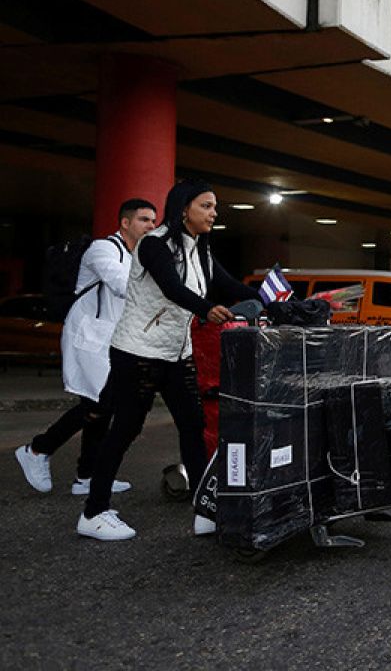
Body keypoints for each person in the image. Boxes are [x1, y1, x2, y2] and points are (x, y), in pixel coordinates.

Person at [76, 180, 259, 541]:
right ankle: (93, 512)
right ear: (183, 209)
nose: (213, 213)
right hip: (138, 352)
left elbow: (229, 284)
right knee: (125, 429)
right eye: (206, 206)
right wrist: (208, 310)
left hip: (177, 352)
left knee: (192, 425)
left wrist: (278, 301)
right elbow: (172, 288)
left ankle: (205, 510)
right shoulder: (154, 244)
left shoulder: (200, 248)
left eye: (214, 207)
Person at [15, 199, 157, 495]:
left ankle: (87, 476)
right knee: (101, 403)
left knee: (99, 405)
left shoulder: (135, 255)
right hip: (89, 338)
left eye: (154, 221)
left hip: (112, 340)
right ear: (125, 223)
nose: (151, 226)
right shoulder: (103, 249)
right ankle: (38, 450)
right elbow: (122, 284)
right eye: (144, 219)